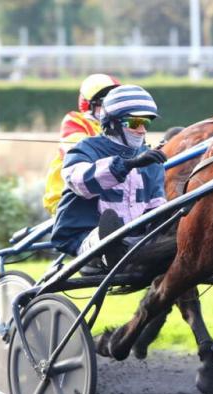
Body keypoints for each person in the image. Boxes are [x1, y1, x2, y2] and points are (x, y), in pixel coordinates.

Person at [51, 85, 170, 270]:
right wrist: (127, 164)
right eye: (133, 123)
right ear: (113, 123)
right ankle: (107, 253)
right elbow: (80, 182)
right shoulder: (86, 148)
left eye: (145, 123)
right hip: (84, 235)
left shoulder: (150, 161)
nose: (141, 130)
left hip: (134, 239)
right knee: (108, 232)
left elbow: (155, 206)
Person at [42, 73, 121, 216]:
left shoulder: (120, 127)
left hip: (104, 198)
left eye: (114, 102)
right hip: (69, 198)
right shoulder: (75, 121)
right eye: (105, 103)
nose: (110, 108)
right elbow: (78, 152)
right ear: (88, 104)